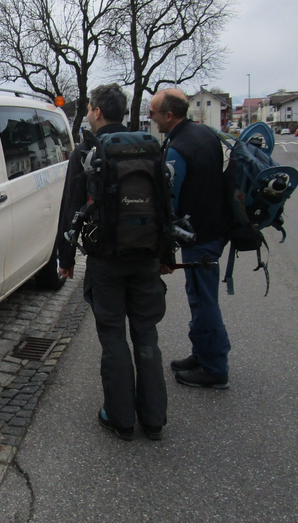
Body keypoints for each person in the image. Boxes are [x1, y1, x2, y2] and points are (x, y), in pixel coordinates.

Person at [57, 84, 168, 441]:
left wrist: (66, 259)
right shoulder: (149, 148)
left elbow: (71, 209)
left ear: (97, 112)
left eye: (89, 107)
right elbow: (167, 207)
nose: (88, 112)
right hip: (147, 256)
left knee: (113, 337)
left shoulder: (88, 151)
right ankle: (153, 419)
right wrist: (166, 255)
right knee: (146, 334)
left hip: (106, 260)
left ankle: (120, 418)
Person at [149, 88, 232, 389]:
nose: (150, 117)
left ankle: (215, 368)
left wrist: (162, 253)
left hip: (200, 235)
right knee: (199, 296)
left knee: (203, 299)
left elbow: (168, 205)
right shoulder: (205, 134)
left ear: (169, 115)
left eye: (153, 112)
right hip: (215, 228)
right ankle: (203, 353)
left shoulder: (178, 149)